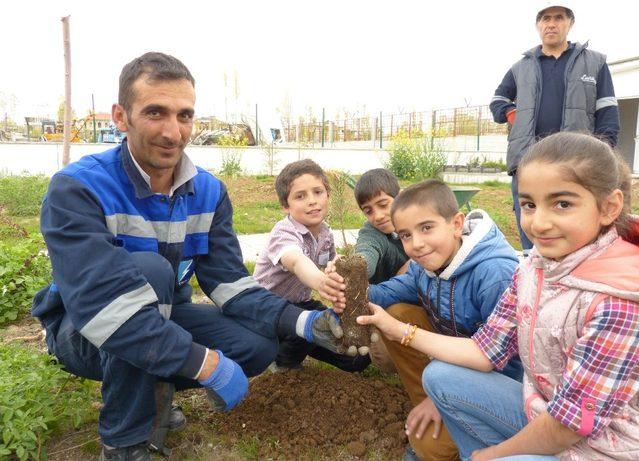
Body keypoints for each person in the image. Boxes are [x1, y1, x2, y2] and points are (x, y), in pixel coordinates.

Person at [31, 52, 353, 461]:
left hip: (167, 316)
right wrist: (205, 365)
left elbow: (229, 283)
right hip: (83, 327)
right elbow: (106, 310)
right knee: (149, 273)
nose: (173, 131)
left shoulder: (208, 192)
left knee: (256, 347)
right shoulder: (78, 188)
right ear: (120, 116)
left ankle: (155, 386)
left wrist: (305, 322)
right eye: (155, 112)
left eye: (184, 115)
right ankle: (125, 441)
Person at [359, 132, 639, 460]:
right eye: (529, 205)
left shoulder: (620, 299)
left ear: (608, 208)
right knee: (439, 375)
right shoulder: (534, 269)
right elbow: (485, 351)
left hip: (601, 445)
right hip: (539, 408)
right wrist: (396, 330)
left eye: (562, 203)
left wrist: (489, 455)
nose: (539, 222)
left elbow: (571, 425)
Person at [365, 179, 522, 461]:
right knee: (400, 312)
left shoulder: (494, 274)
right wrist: (346, 288)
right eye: (406, 235)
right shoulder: (424, 266)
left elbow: (509, 364)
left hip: (503, 379)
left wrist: (444, 397)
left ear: (457, 223)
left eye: (426, 228)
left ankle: (447, 409)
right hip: (454, 361)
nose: (417, 244)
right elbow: (384, 294)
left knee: (430, 449)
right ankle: (425, 400)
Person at [490, 2, 619, 254]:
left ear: (570, 23)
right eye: (545, 18)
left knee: (576, 227)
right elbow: (497, 100)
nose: (551, 23)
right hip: (528, 161)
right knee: (533, 224)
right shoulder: (521, 67)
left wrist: (604, 152)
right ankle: (534, 274)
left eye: (558, 18)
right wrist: (509, 112)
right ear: (538, 25)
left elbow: (608, 111)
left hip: (575, 162)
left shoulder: (594, 63)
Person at [253, 159, 371, 371]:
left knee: (355, 359)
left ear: (328, 194)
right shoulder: (284, 232)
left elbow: (331, 265)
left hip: (301, 303)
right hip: (266, 309)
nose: (312, 201)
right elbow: (298, 261)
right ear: (285, 206)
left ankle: (303, 343)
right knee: (307, 320)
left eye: (318, 192)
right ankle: (281, 361)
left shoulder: (325, 232)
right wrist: (321, 282)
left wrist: (342, 270)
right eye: (300, 196)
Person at [352, 168, 410, 374]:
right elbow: (365, 254)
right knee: (386, 362)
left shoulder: (418, 223)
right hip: (384, 308)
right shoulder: (372, 233)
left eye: (383, 205)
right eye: (368, 211)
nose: (377, 216)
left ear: (400, 197)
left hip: (420, 302)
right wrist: (352, 268)